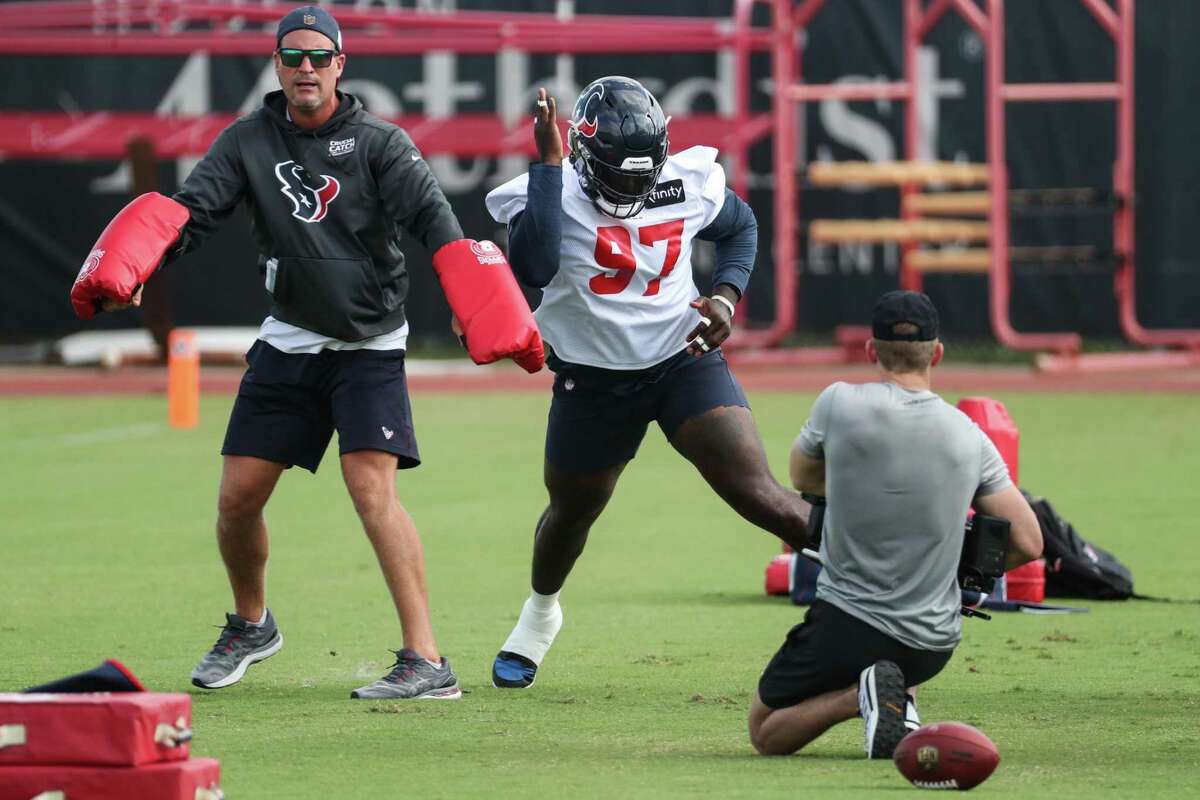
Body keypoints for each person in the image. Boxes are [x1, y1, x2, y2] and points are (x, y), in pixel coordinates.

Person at [87, 5, 533, 700]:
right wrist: (136, 265)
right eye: (292, 56)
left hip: (367, 344)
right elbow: (193, 213)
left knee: (370, 489)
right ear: (276, 65)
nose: (305, 68)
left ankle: (427, 661)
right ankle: (252, 623)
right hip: (290, 338)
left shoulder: (381, 142)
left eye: (318, 56)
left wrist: (474, 296)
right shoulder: (246, 142)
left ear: (339, 65)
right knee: (236, 500)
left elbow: (434, 221)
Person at [483, 77, 812, 690]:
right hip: (593, 380)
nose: (633, 188)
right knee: (572, 514)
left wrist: (726, 296)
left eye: (643, 175)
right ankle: (540, 615)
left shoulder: (683, 180)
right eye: (620, 174)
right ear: (580, 154)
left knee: (764, 498)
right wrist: (549, 166)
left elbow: (741, 228)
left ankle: (886, 585)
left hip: (680, 360)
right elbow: (535, 265)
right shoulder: (550, 189)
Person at [748, 290, 1044, 758]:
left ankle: (859, 696)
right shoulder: (971, 435)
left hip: (846, 624)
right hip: (931, 644)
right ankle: (894, 696)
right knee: (895, 662)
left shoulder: (838, 403)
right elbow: (1028, 542)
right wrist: (958, 570)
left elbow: (803, 478)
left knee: (764, 731)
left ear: (871, 351)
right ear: (938, 353)